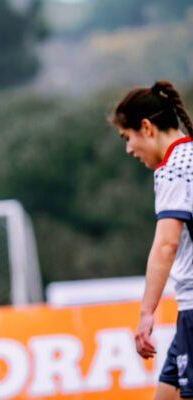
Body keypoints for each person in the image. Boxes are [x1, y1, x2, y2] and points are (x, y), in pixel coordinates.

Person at [110, 80, 193, 400]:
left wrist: (146, 315)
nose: (129, 149)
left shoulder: (173, 167)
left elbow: (166, 245)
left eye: (126, 138)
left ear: (146, 127)